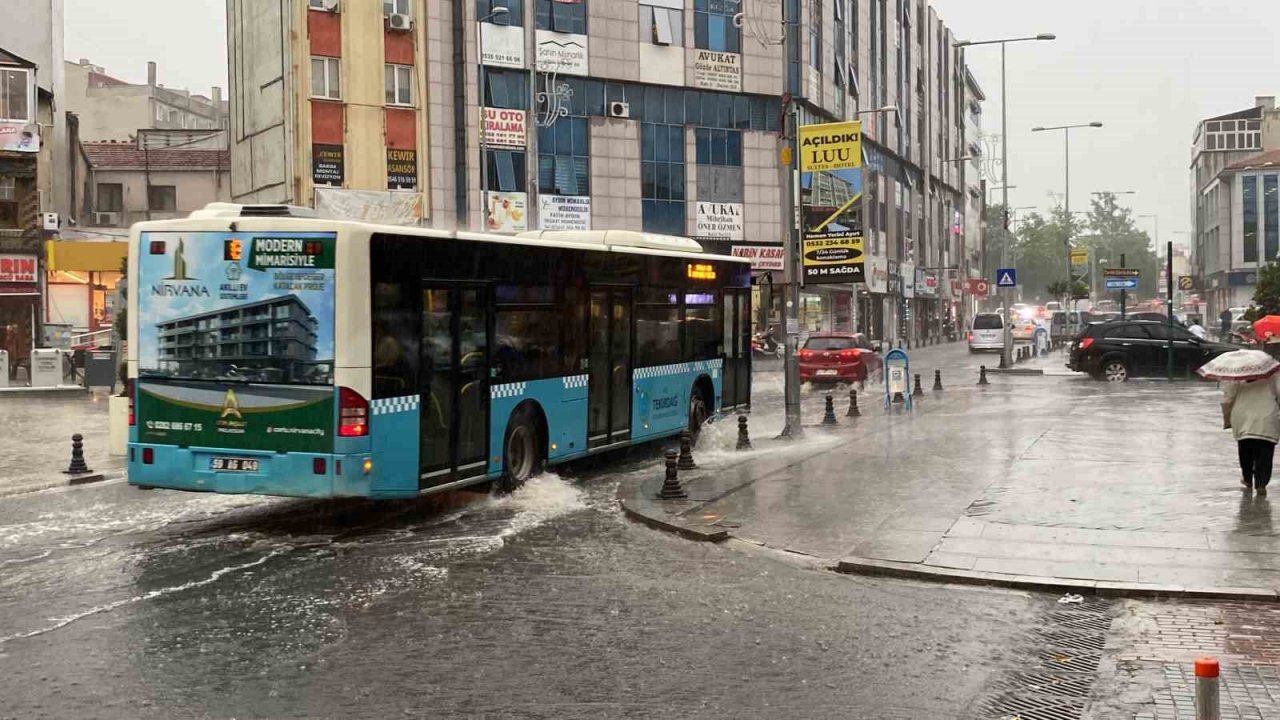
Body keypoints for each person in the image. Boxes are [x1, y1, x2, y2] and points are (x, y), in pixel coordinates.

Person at [1222, 374, 1280, 495]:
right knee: (1265, 453)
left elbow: (1228, 400)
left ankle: (1248, 479)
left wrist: (1227, 420)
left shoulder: (1234, 376)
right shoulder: (1273, 375)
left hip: (1243, 418)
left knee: (1245, 451)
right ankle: (1261, 483)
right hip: (1267, 417)